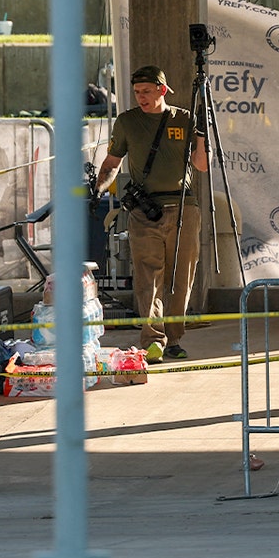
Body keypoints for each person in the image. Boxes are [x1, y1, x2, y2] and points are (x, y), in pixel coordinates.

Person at [93, 65, 207, 362]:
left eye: (146, 91)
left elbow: (202, 166)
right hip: (145, 210)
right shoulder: (128, 122)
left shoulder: (184, 119)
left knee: (181, 278)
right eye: (137, 92)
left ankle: (174, 339)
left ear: (162, 90)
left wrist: (203, 136)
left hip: (183, 207)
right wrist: (99, 187)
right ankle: (153, 339)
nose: (141, 97)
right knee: (148, 278)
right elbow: (112, 162)